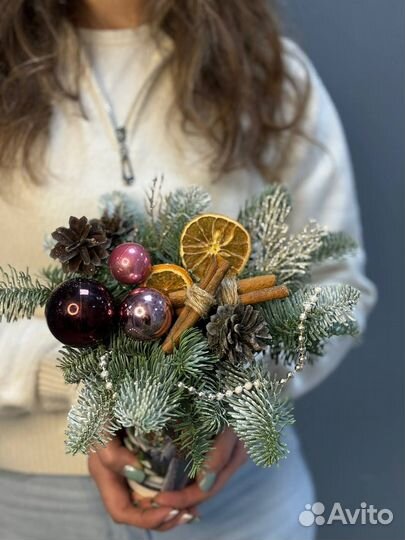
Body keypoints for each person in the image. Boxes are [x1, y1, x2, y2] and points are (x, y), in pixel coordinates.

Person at [0, 1, 376, 539]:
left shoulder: (268, 71)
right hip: (30, 509)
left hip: (244, 506)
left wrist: (239, 397)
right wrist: (88, 382)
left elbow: (337, 286)